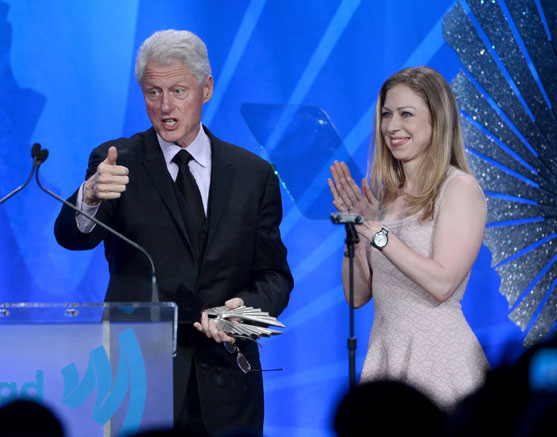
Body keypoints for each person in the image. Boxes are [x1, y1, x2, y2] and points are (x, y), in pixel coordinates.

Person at [54, 29, 293, 435]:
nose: (165, 106)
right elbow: (73, 237)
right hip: (140, 378)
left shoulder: (253, 175)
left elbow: (275, 277)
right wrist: (89, 195)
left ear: (206, 88)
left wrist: (242, 313)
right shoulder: (118, 163)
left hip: (227, 382)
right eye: (153, 92)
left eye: (178, 91)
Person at [328, 66, 489, 409]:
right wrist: (357, 230)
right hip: (386, 355)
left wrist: (380, 235)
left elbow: (442, 283)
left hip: (439, 361)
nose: (391, 126)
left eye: (406, 114)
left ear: (437, 120)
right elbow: (356, 296)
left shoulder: (458, 188)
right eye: (386, 114)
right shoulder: (386, 198)